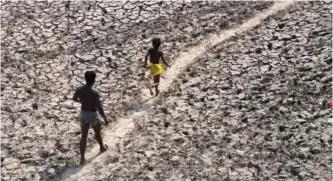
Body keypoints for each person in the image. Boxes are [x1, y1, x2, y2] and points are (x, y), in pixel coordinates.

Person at [72, 71, 109, 165]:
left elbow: (74, 98)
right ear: (94, 79)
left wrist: (82, 102)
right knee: (97, 133)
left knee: (83, 136)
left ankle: (82, 158)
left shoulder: (79, 89)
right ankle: (101, 147)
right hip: (93, 115)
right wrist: (104, 118)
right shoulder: (95, 92)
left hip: (83, 114)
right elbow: (98, 107)